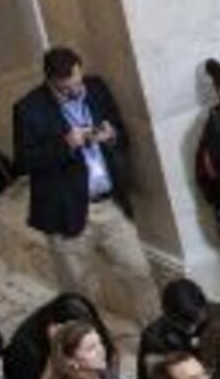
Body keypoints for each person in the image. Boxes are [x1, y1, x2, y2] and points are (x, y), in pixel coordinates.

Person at [9, 48, 136, 315]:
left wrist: (112, 136)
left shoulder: (96, 87)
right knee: (80, 293)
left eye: (79, 81)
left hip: (109, 203)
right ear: (51, 81)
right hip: (67, 211)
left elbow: (122, 134)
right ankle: (94, 346)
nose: (79, 89)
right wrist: (65, 144)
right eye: (70, 87)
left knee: (139, 271)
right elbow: (23, 163)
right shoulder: (28, 109)